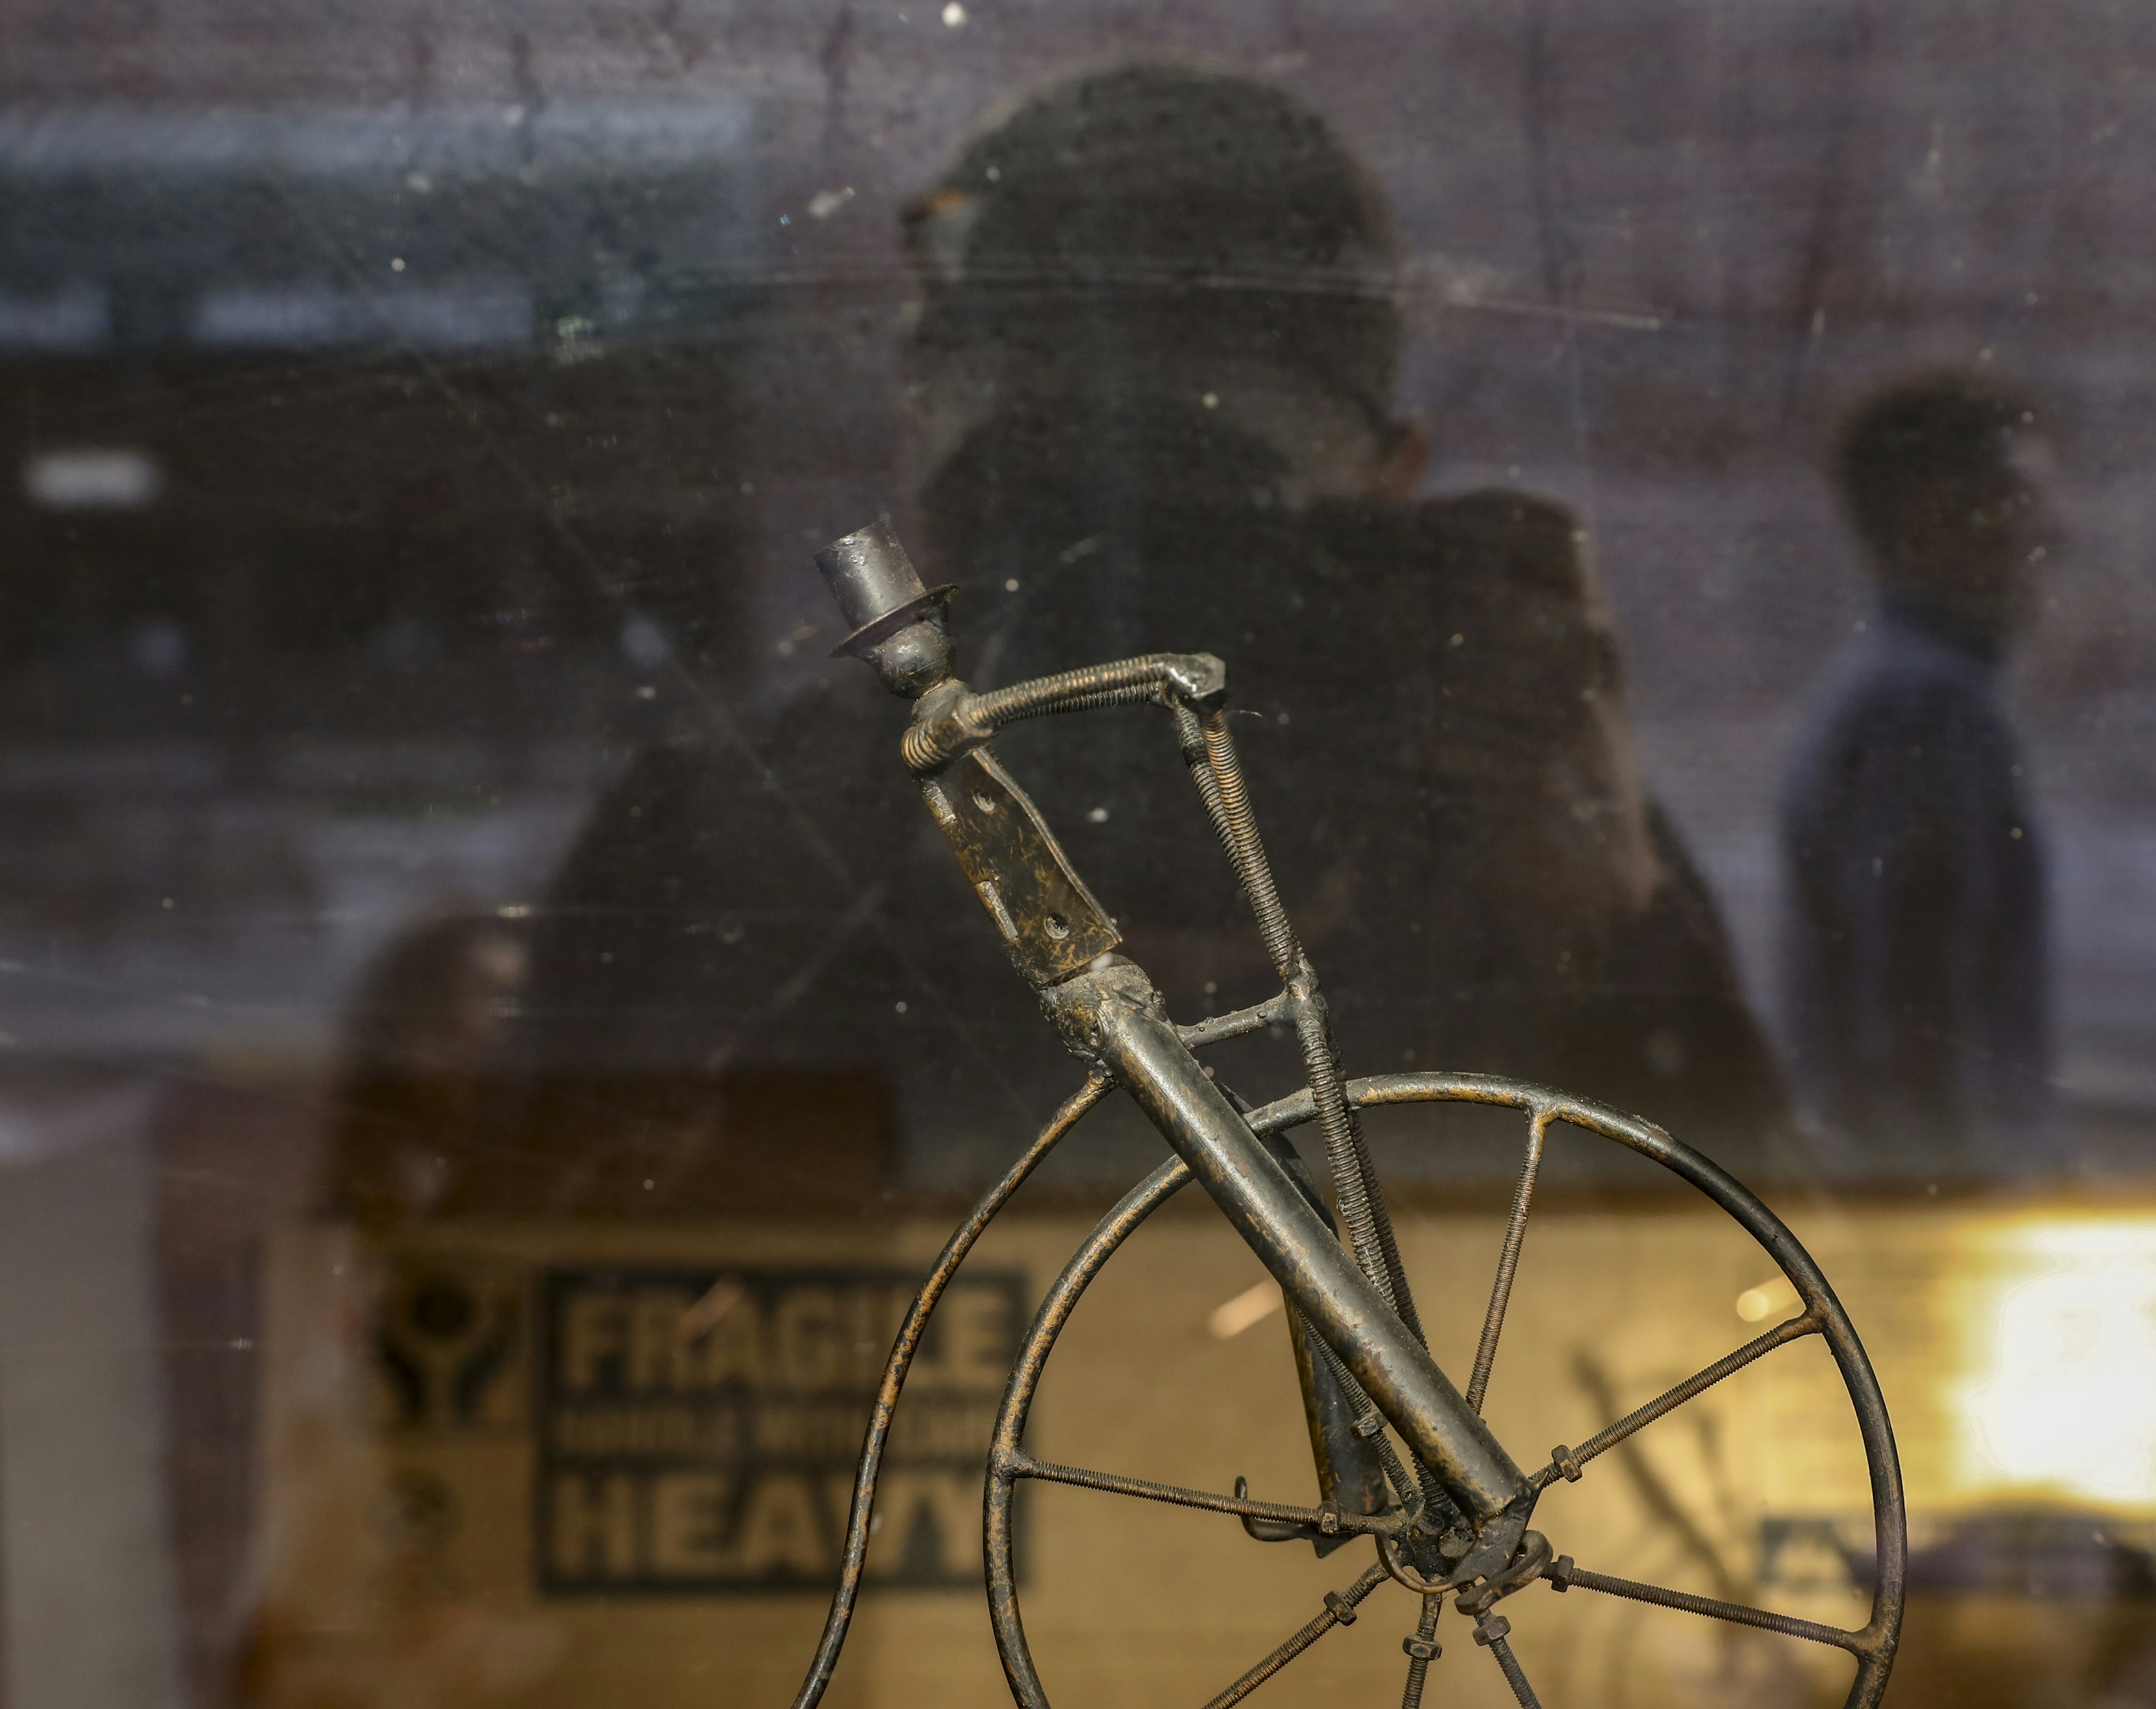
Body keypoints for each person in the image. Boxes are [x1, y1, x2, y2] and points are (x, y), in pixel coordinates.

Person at [509, 61, 1797, 1204]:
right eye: (1060, 510)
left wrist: (1594, 920)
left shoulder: (1515, 828)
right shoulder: (746, 843)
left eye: (1217, 522)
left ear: (1393, 508)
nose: (1142, 601)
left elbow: (1789, 1351)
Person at [1777, 372, 2060, 1188]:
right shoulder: (1928, 715)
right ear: (1938, 519)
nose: (2047, 545)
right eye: (2025, 515)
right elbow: (1918, 1024)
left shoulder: (1894, 699)